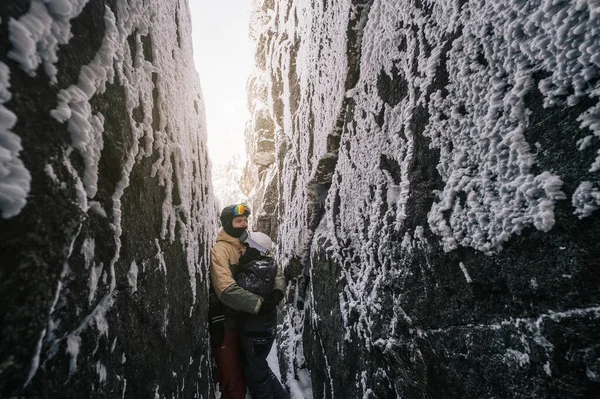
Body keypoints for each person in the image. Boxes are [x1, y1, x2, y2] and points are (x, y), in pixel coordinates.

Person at [209, 203, 286, 399]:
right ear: (228, 223)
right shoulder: (221, 250)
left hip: (248, 321)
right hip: (228, 321)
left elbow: (271, 262)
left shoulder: (248, 242)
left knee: (253, 367)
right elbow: (226, 290)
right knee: (232, 376)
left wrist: (278, 290)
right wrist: (260, 304)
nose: (243, 224)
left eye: (245, 220)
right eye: (238, 221)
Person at [235, 231, 289, 399]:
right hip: (265, 328)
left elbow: (237, 294)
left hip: (255, 332)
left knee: (256, 375)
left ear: (255, 250)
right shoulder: (269, 265)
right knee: (259, 367)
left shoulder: (253, 273)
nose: (241, 250)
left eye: (245, 246)